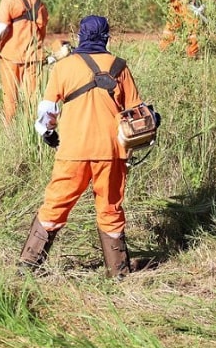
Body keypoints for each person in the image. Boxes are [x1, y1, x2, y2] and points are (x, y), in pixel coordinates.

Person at [19, 15, 157, 279]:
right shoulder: (120, 67)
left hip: (73, 151)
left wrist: (47, 133)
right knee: (110, 208)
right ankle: (117, 271)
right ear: (106, 36)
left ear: (81, 35)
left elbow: (48, 110)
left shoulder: (64, 67)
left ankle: (28, 265)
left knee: (55, 204)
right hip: (112, 152)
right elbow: (137, 113)